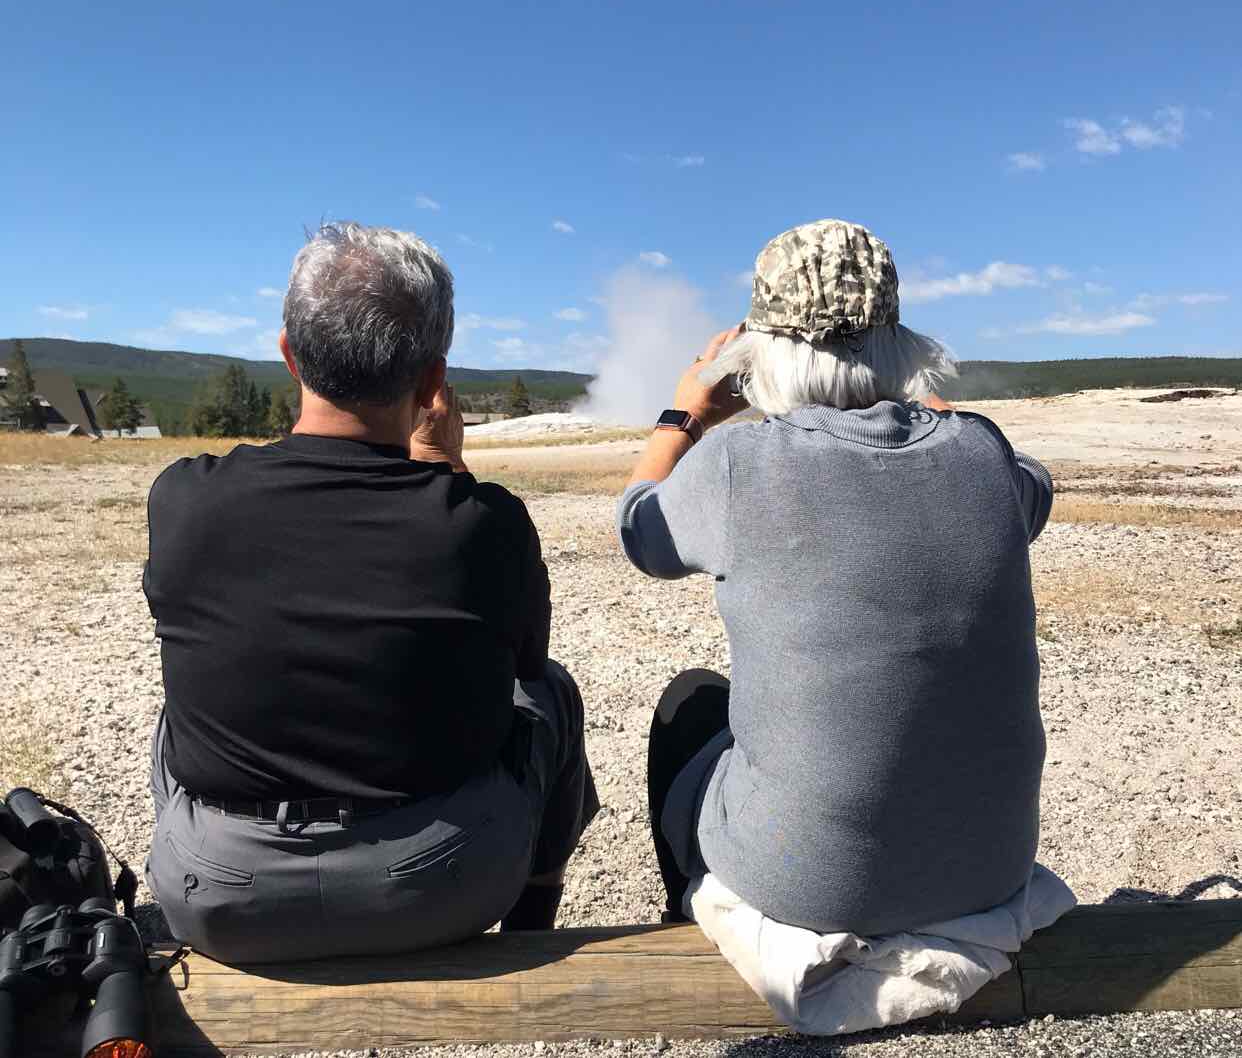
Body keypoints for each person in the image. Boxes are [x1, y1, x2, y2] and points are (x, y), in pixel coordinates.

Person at [143, 222, 597, 963]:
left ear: (289, 354)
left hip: (219, 895)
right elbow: (523, 667)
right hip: (438, 886)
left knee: (174, 716)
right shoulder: (485, 524)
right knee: (553, 695)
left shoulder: (183, 498)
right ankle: (530, 932)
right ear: (432, 380)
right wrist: (444, 474)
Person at [618, 219, 1053, 937]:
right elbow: (1033, 483)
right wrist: (911, 392)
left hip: (813, 888)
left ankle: (688, 911)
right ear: (899, 340)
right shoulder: (984, 456)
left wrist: (685, 412)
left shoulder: (739, 466)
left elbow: (639, 529)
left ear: (759, 349)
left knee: (690, 706)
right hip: (992, 869)